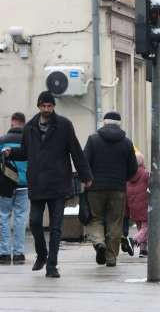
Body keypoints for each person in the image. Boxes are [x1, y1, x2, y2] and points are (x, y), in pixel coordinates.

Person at [2, 92, 92, 278]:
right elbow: (26, 152)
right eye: (44, 106)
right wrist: (12, 153)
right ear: (39, 106)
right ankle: (42, 254)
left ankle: (52, 265)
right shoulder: (30, 128)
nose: (47, 109)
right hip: (37, 183)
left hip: (58, 183)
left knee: (56, 227)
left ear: (53, 107)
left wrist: (85, 175)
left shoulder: (64, 126)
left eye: (50, 106)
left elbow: (76, 151)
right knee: (34, 222)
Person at [83, 112, 138, 267]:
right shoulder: (127, 143)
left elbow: (84, 162)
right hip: (118, 189)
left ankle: (99, 243)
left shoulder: (93, 140)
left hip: (95, 187)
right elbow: (133, 168)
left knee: (95, 218)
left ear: (104, 123)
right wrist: (123, 179)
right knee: (115, 222)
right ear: (119, 124)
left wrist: (87, 179)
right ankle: (111, 257)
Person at [0, 113, 29, 264]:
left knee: (3, 217)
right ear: (23, 124)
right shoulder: (29, 142)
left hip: (5, 185)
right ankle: (18, 254)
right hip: (24, 185)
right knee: (20, 218)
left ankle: (4, 254)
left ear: (12, 124)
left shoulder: (2, 141)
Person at [125, 152, 149, 256]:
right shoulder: (146, 173)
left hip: (133, 207)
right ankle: (133, 241)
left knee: (141, 228)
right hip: (145, 205)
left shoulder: (128, 176)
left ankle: (143, 250)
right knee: (147, 227)